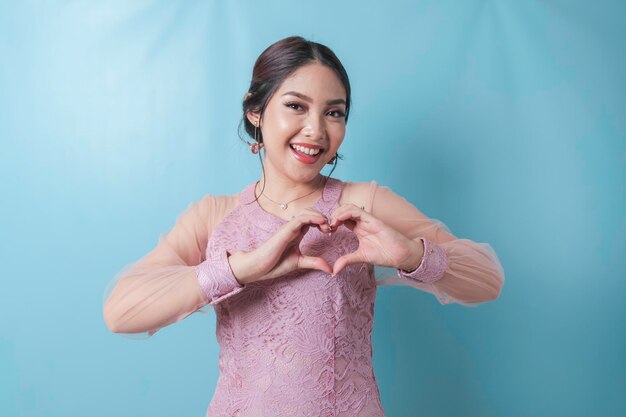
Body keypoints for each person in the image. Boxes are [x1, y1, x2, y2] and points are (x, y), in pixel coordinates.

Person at [102, 35, 505, 417]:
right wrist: (240, 269)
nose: (316, 130)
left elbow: (487, 281)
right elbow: (122, 312)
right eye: (296, 106)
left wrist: (412, 255)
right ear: (255, 111)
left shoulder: (363, 204)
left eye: (334, 112)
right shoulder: (214, 216)